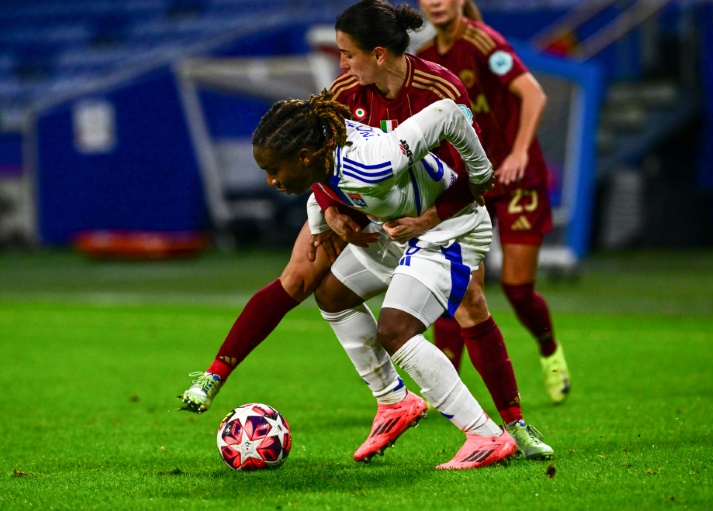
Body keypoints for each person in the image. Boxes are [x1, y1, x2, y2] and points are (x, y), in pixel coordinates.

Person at [179, 0, 552, 461]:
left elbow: (472, 178)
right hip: (381, 219)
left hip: (444, 220)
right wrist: (334, 211)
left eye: (347, 53)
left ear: (378, 54)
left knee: (468, 305)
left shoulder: (439, 90)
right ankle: (392, 401)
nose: (341, 63)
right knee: (319, 285)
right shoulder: (341, 94)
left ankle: (508, 428)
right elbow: (320, 160)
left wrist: (428, 218)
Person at [253, 90, 514, 469]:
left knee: (395, 330)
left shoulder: (371, 164)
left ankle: (485, 435)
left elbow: (447, 113)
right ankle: (394, 401)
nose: (271, 180)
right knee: (332, 293)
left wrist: (480, 174)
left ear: (304, 157)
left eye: (274, 170)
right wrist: (321, 220)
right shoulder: (323, 154)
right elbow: (322, 189)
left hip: (452, 231)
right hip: (406, 232)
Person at [407, 0, 571, 405]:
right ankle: (446, 391)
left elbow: (533, 95)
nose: (436, 2)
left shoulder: (486, 44)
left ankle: (549, 351)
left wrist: (518, 153)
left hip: (517, 180)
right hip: (469, 184)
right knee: (460, 286)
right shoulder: (425, 58)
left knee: (517, 289)